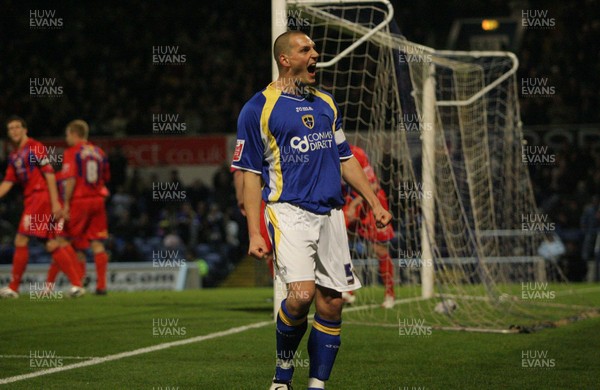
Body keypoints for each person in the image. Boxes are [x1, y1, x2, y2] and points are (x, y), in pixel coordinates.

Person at [232, 31, 392, 390]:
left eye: (315, 49)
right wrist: (255, 232)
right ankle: (282, 374)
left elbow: (345, 158)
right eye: (306, 50)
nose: (316, 55)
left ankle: (317, 385)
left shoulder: (325, 103)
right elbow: (250, 174)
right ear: (285, 59)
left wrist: (374, 202)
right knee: (301, 295)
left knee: (332, 303)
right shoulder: (258, 108)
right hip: (289, 212)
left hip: (331, 215)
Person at [0, 116, 84, 298]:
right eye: (10, 128)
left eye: (17, 127)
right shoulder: (14, 156)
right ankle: (76, 285)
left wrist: (55, 202)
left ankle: (14, 287)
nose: (13, 131)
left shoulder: (34, 147)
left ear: (25, 129)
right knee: (51, 243)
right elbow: (8, 182)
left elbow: (50, 173)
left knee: (21, 240)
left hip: (40, 198)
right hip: (32, 200)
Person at [47, 120, 110, 294]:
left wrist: (66, 204)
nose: (66, 138)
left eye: (67, 134)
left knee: (61, 239)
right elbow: (105, 178)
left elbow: (71, 179)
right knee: (97, 243)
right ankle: (101, 286)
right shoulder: (100, 152)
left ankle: (77, 283)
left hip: (80, 200)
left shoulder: (72, 152)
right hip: (98, 200)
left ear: (75, 134)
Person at [342, 144, 396, 308]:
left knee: (379, 249)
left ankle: (389, 294)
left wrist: (354, 205)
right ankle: (348, 290)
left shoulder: (355, 153)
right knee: (339, 245)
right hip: (347, 202)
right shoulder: (320, 152)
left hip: (368, 202)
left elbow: (373, 185)